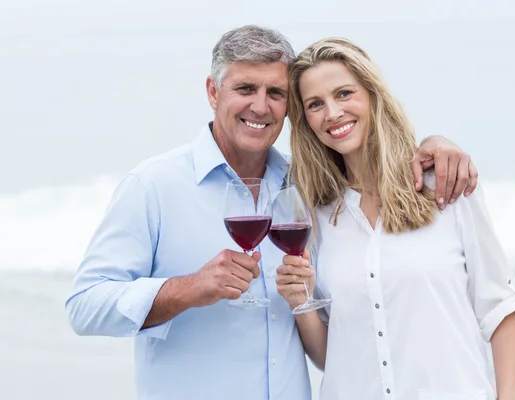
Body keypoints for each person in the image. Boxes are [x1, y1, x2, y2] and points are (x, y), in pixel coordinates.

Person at [65, 26, 479, 400]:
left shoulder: (310, 188)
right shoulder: (153, 186)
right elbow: (84, 306)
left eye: (276, 93)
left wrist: (436, 145)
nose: (261, 107)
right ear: (213, 92)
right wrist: (188, 288)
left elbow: (345, 328)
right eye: (245, 88)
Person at [276, 37, 515, 400]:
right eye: (316, 104)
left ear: (372, 95)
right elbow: (331, 355)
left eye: (344, 94)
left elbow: (501, 309)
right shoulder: (316, 215)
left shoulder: (446, 187)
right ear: (306, 121)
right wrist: (300, 301)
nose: (332, 113)